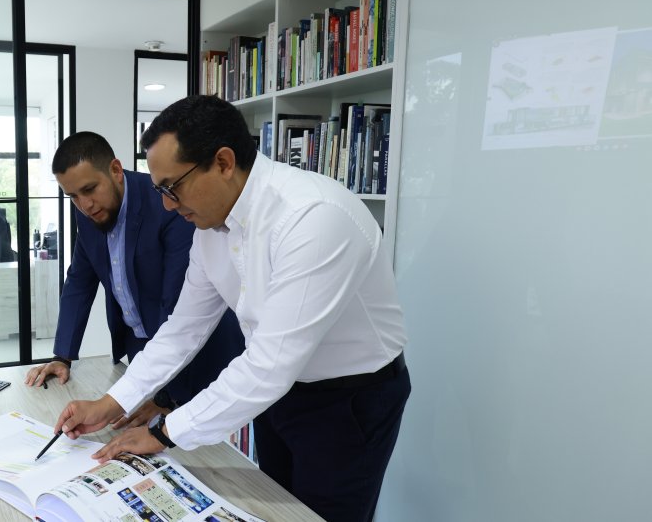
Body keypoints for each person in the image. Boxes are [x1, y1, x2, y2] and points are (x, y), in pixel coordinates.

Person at [55, 96, 410, 522]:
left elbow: (268, 366)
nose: (167, 204)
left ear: (223, 162)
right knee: (275, 507)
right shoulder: (209, 226)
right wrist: (113, 402)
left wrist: (164, 433)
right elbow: (183, 328)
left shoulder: (313, 217)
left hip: (348, 401)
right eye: (159, 191)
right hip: (279, 394)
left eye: (171, 187)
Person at [25, 131, 244, 426]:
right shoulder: (88, 213)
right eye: (73, 196)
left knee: (200, 436)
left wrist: (165, 397)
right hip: (140, 348)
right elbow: (79, 280)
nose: (85, 204)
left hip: (199, 352)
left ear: (115, 170)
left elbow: (179, 309)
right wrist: (62, 356)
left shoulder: (166, 203)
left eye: (90, 189)